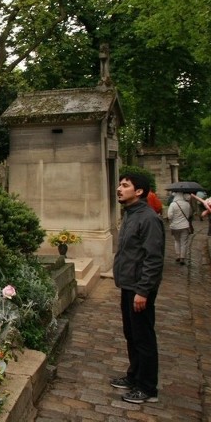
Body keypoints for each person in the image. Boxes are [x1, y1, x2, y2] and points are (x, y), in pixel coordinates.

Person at [110, 172, 164, 404]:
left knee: (143, 337)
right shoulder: (131, 214)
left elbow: (153, 258)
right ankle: (134, 376)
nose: (119, 189)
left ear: (139, 191)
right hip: (128, 285)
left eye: (125, 185)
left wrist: (143, 291)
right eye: (120, 185)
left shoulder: (148, 219)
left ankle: (147, 387)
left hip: (139, 288)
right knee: (131, 334)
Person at [167, 191, 192, 265]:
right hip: (185, 226)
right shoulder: (187, 204)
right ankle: (182, 257)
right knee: (184, 242)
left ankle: (178, 255)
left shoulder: (173, 204)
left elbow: (169, 216)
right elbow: (190, 214)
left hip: (175, 226)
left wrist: (172, 222)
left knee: (177, 241)